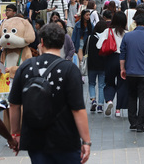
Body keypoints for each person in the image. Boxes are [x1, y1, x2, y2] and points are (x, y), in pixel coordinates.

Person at [9, 23, 91, 163]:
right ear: (62, 43)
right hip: (66, 138)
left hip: (35, 138)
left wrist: (15, 133)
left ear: (42, 42)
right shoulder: (70, 69)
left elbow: (14, 104)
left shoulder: (26, 67)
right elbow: (78, 109)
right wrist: (86, 141)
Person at [120, 14, 144, 132]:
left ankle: (132, 122)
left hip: (131, 71)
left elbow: (122, 54)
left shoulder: (127, 36)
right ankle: (140, 125)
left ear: (135, 24)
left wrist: (122, 68)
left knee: (132, 96)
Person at [97, 12, 128, 117]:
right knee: (122, 84)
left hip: (110, 59)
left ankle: (109, 100)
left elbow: (99, 45)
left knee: (109, 82)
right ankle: (118, 109)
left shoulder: (107, 31)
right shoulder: (127, 33)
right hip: (123, 59)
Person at [87, 21, 108, 113]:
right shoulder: (105, 38)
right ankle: (100, 105)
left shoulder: (90, 38)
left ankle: (93, 100)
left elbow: (85, 49)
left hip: (91, 65)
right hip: (103, 65)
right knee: (101, 85)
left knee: (91, 83)